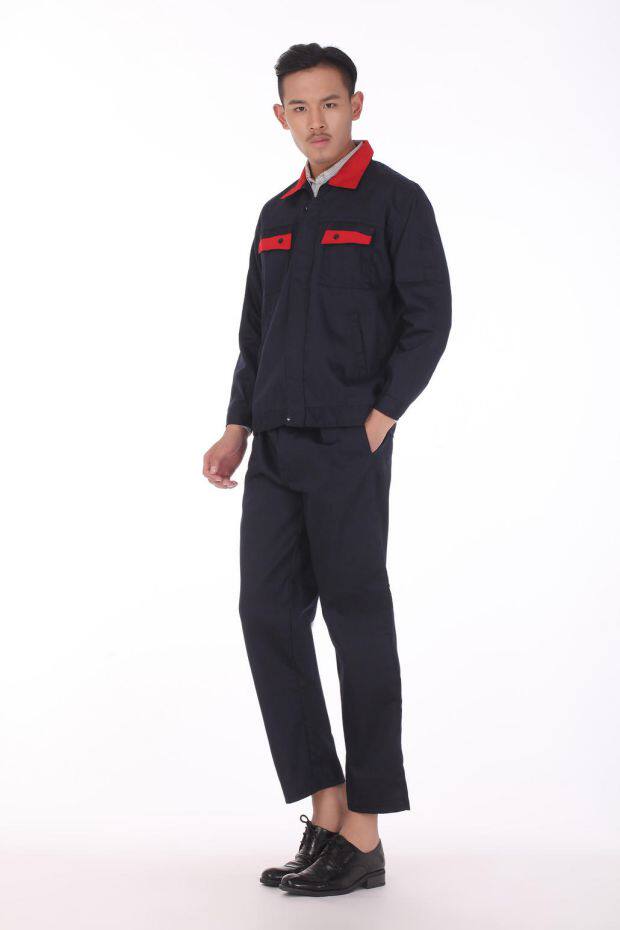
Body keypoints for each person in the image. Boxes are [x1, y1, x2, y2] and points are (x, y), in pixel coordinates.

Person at [202, 42, 451, 897]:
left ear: (356, 105)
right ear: (281, 116)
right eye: (300, 107)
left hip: (349, 447)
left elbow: (429, 320)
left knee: (355, 621)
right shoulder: (275, 214)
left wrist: (380, 418)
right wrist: (236, 427)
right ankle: (328, 812)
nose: (317, 121)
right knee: (267, 614)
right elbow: (256, 335)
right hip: (274, 450)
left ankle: (367, 834)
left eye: (330, 103)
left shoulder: (394, 202)